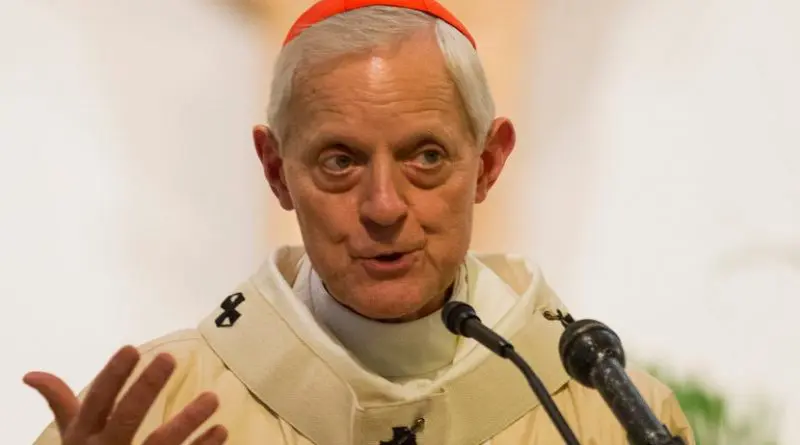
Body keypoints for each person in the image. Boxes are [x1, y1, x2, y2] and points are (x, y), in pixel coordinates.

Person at [25, 0, 695, 444]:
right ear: (276, 171)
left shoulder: (608, 410)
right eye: (340, 161)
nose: (383, 207)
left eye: (426, 157)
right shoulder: (152, 413)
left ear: (488, 162)